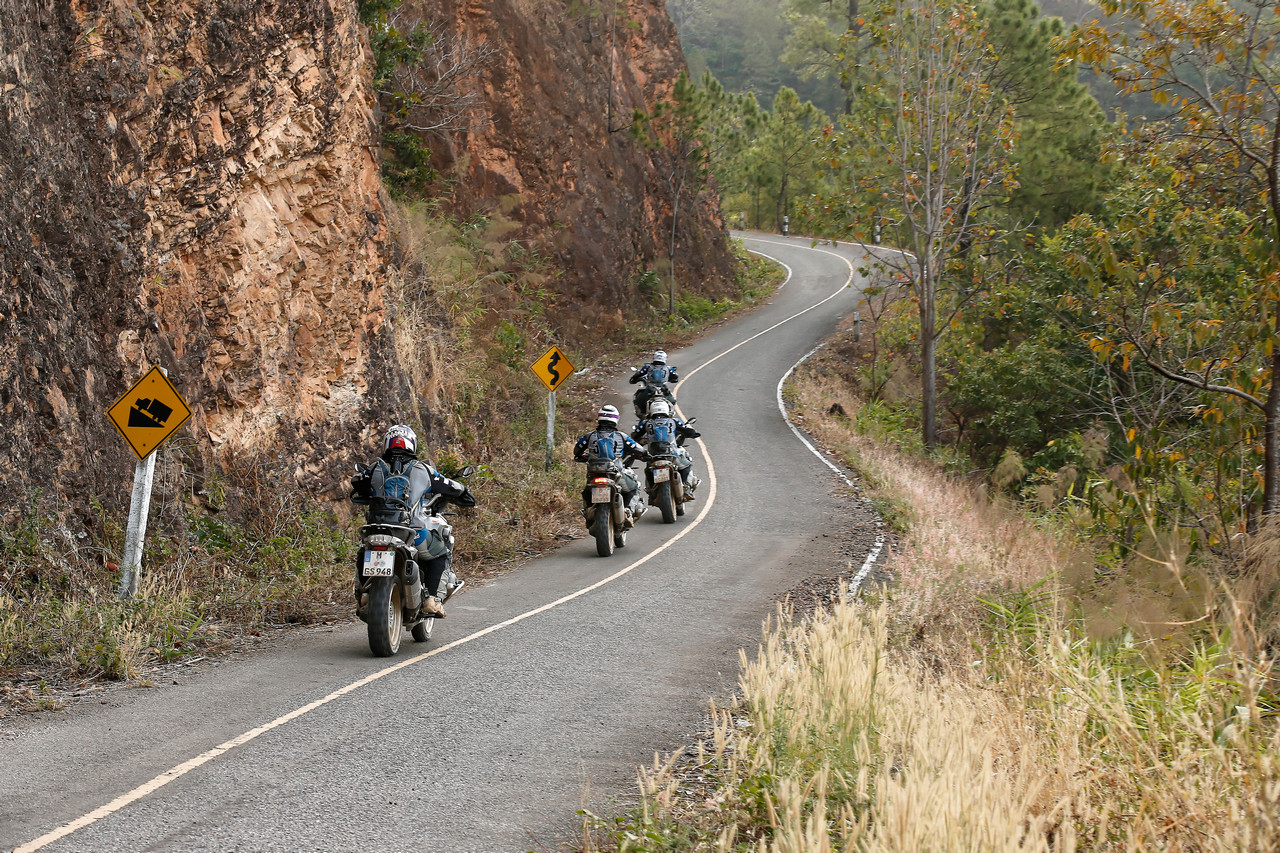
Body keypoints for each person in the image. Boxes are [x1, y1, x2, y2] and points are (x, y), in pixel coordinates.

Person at [350, 425, 476, 618]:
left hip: (376, 530)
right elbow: (451, 486)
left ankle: (363, 597)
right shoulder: (423, 470)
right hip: (412, 533)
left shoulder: (374, 468)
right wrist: (464, 492)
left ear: (386, 444)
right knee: (441, 553)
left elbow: (357, 482)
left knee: (363, 551)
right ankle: (432, 599)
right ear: (413, 445)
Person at [573, 404, 648, 519]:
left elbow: (577, 450)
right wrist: (645, 455)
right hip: (616, 473)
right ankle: (628, 510)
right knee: (634, 487)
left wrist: (584, 456)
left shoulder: (589, 436)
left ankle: (587, 510)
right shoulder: (621, 437)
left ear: (599, 418)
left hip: (594, 475)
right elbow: (639, 449)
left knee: (586, 492)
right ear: (615, 419)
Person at [629, 398, 701, 498]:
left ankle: (651, 490)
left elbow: (635, 435)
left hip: (653, 455)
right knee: (686, 465)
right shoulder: (674, 421)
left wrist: (639, 441)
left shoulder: (646, 423)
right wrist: (693, 433)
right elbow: (687, 430)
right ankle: (685, 486)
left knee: (648, 470)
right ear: (667, 409)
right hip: (671, 453)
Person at [629, 350, 679, 417]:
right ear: (665, 358)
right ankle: (670, 413)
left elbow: (637, 375)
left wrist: (634, 379)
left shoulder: (647, 366)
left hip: (649, 390)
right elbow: (675, 377)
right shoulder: (669, 369)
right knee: (672, 400)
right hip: (663, 390)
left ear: (654, 357)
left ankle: (642, 415)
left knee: (637, 399)